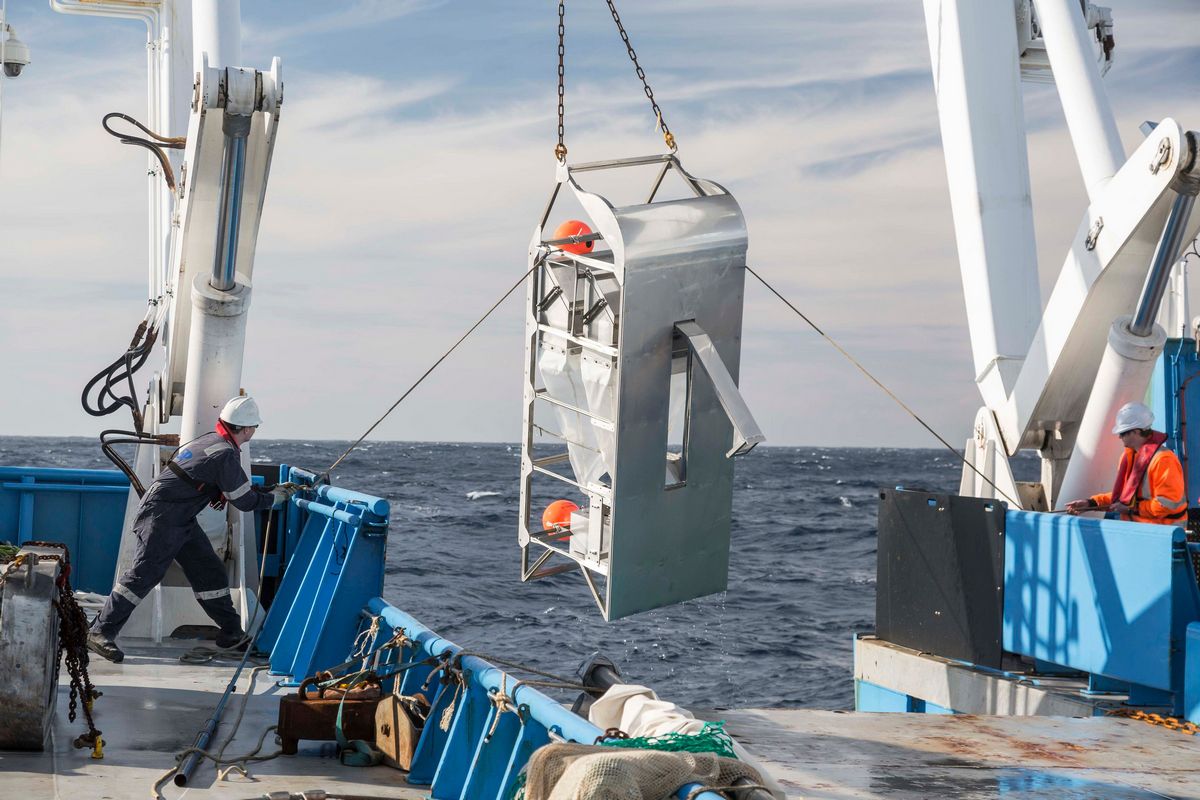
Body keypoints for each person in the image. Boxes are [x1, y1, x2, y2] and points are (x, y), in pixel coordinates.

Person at [87, 395, 299, 663]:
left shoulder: (211, 441)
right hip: (163, 516)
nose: (254, 431)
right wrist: (276, 497)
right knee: (144, 574)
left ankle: (232, 632)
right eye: (254, 427)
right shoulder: (224, 454)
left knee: (208, 571)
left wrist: (266, 492)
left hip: (179, 516)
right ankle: (100, 631)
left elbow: (222, 484)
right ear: (247, 429)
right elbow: (244, 501)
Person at [1064, 401, 1187, 524]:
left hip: (1162, 536)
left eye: (1122, 433)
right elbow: (1125, 496)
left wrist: (1131, 508)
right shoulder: (1129, 456)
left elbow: (1167, 504)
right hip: (1137, 532)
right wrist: (1091, 503)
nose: (1119, 437)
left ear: (1136, 431)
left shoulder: (1164, 460)